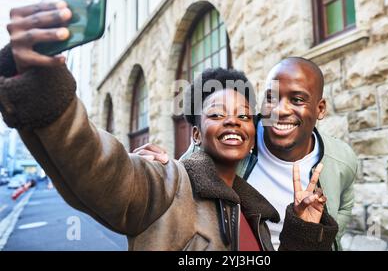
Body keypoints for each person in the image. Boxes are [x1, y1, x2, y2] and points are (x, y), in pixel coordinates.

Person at [0, 0, 338, 250]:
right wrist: (40, 85)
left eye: (244, 115)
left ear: (253, 136)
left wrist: (304, 229)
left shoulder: (255, 215)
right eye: (218, 114)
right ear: (195, 134)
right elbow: (98, 168)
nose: (234, 120)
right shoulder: (166, 185)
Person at [140, 58, 358, 250]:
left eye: (297, 100)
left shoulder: (342, 159)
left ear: (320, 109)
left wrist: (321, 235)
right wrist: (166, 171)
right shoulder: (237, 139)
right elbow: (191, 169)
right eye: (271, 98)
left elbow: (345, 205)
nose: (280, 110)